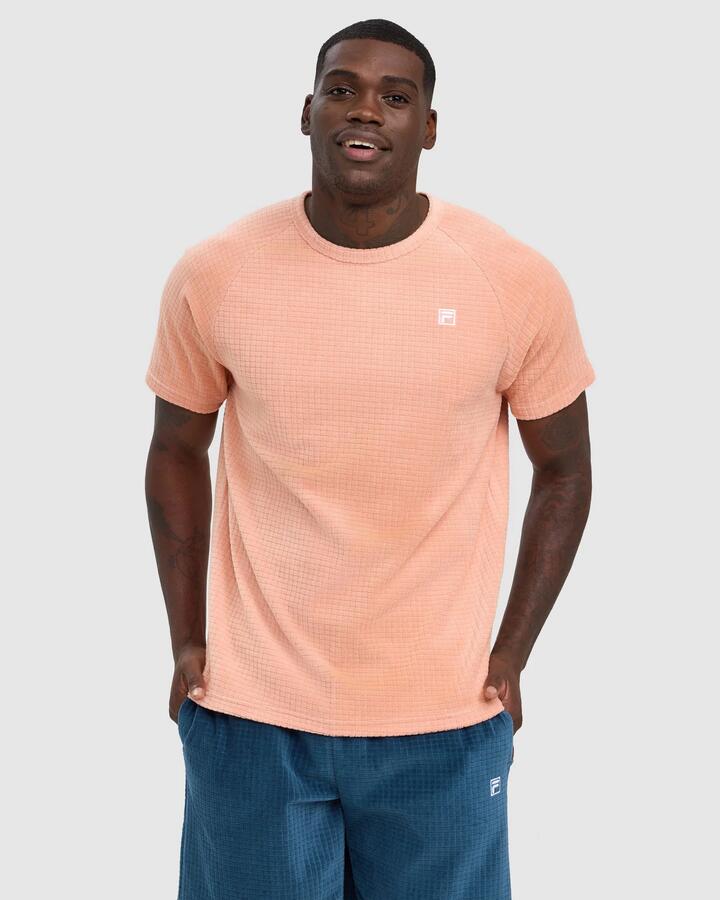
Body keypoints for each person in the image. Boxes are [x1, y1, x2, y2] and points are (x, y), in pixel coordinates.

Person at [144, 17, 595, 900]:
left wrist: (512, 654)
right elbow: (174, 449)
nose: (366, 110)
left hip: (443, 719)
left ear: (429, 128)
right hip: (252, 713)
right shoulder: (218, 273)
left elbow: (567, 470)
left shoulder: (512, 279)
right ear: (306, 111)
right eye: (343, 89)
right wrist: (186, 637)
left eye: (396, 96)